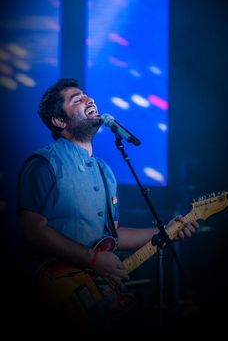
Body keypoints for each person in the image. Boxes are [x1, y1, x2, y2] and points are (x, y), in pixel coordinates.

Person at [17, 78, 199, 334]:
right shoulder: (43, 164)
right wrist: (93, 259)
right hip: (55, 292)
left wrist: (166, 232)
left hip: (96, 300)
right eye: (76, 99)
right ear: (59, 121)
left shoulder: (106, 172)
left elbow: (112, 236)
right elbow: (32, 231)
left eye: (87, 96)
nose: (88, 100)